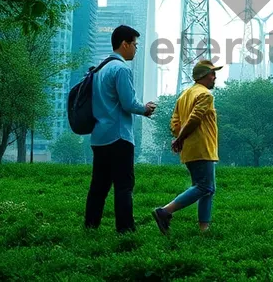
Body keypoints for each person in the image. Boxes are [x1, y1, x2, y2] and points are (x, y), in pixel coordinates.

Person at [84, 25, 157, 233]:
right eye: (135, 44)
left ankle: (90, 227)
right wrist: (146, 109)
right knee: (124, 186)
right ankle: (125, 230)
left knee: (98, 186)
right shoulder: (122, 69)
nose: (136, 48)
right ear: (124, 44)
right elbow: (128, 103)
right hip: (119, 137)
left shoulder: (99, 69)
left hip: (99, 137)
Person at [153, 59, 222, 234]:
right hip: (202, 147)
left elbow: (174, 123)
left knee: (207, 189)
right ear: (203, 76)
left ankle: (204, 228)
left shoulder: (184, 95)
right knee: (204, 187)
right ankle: (165, 211)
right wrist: (180, 139)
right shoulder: (205, 95)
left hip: (190, 150)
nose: (215, 77)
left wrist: (179, 138)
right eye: (212, 74)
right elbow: (194, 118)